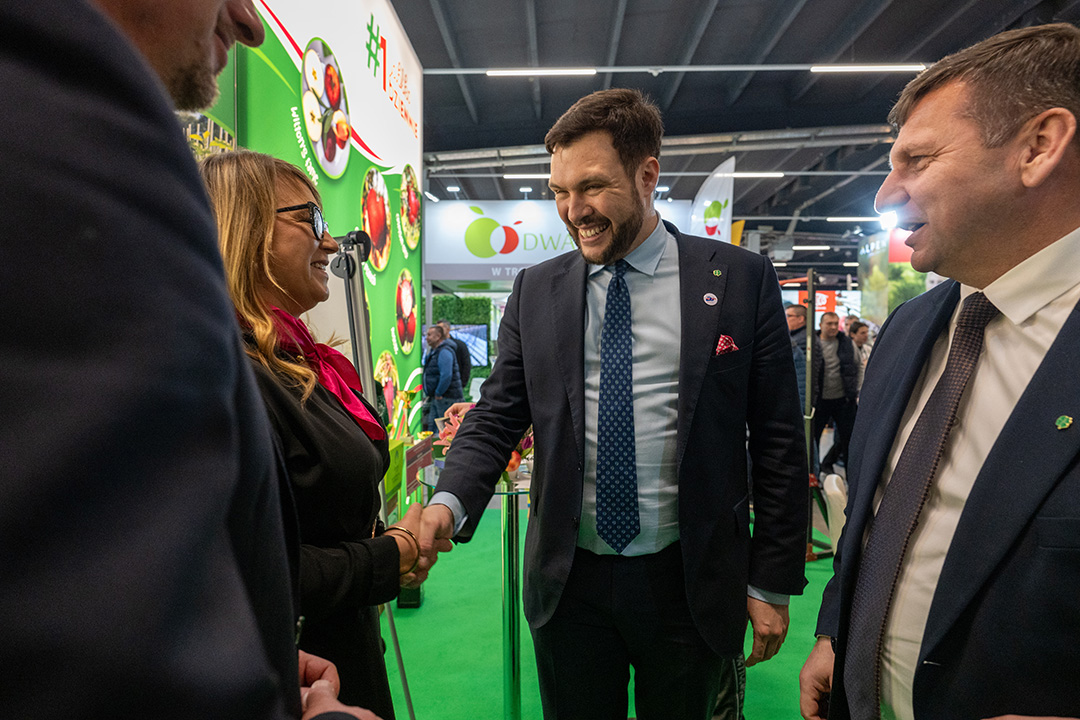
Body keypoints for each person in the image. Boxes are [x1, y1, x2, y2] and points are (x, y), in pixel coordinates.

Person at [1, 1, 375, 718]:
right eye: (311, 220)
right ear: (247, 228)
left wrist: (261, 656)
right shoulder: (48, 146)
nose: (250, 21)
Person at [419, 88, 808, 719]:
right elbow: (498, 413)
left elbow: (779, 441)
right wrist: (448, 501)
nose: (574, 211)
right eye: (559, 191)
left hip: (690, 579)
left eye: (593, 187)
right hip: (568, 581)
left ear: (647, 175)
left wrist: (771, 581)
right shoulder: (536, 289)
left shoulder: (738, 278)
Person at [800, 23, 1080, 720]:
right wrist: (837, 630)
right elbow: (874, 515)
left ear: (1038, 147)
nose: (884, 195)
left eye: (917, 160)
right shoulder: (910, 328)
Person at [200, 150, 430, 718]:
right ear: (245, 228)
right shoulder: (226, 375)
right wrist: (390, 554)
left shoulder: (292, 362)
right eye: (311, 219)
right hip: (300, 678)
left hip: (337, 657)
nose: (330, 242)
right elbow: (245, 570)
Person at [814, 311, 858, 474]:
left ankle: (851, 477)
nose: (833, 327)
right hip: (819, 401)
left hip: (843, 400)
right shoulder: (813, 343)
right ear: (821, 325)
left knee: (848, 441)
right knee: (813, 440)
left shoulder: (846, 343)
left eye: (835, 323)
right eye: (829, 323)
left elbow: (858, 365)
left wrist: (856, 390)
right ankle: (814, 475)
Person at [423, 324, 464, 431]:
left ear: (438, 336)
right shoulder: (436, 351)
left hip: (446, 398)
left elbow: (446, 375)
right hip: (439, 398)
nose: (426, 338)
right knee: (434, 428)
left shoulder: (444, 352)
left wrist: (439, 392)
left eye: (429, 335)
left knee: (447, 429)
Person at [438, 318, 473, 392]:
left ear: (448, 329)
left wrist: (461, 384)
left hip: (454, 388)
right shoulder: (436, 347)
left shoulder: (460, 345)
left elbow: (466, 365)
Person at [847, 320, 872, 394]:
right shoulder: (847, 350)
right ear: (852, 334)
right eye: (862, 333)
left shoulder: (868, 349)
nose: (866, 335)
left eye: (867, 332)